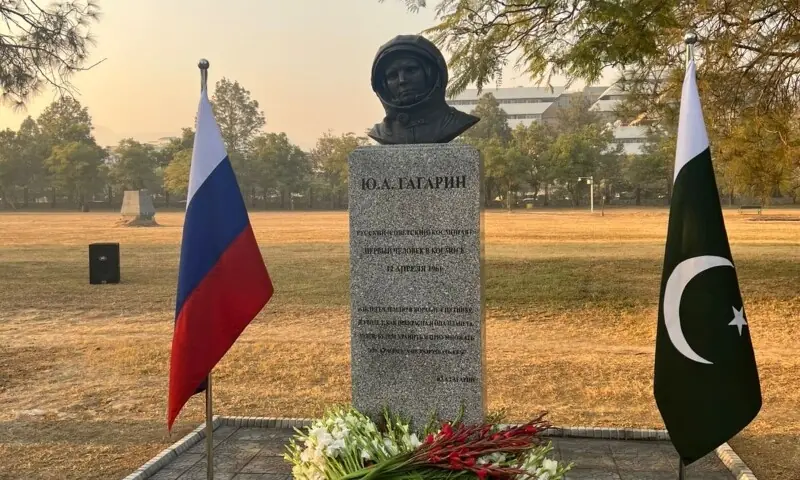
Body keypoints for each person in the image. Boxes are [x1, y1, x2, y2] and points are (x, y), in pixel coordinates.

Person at [368, 35, 480, 145]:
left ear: (431, 74)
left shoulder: (455, 122)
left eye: (411, 70)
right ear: (384, 86)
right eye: (393, 76)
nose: (402, 80)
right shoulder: (381, 132)